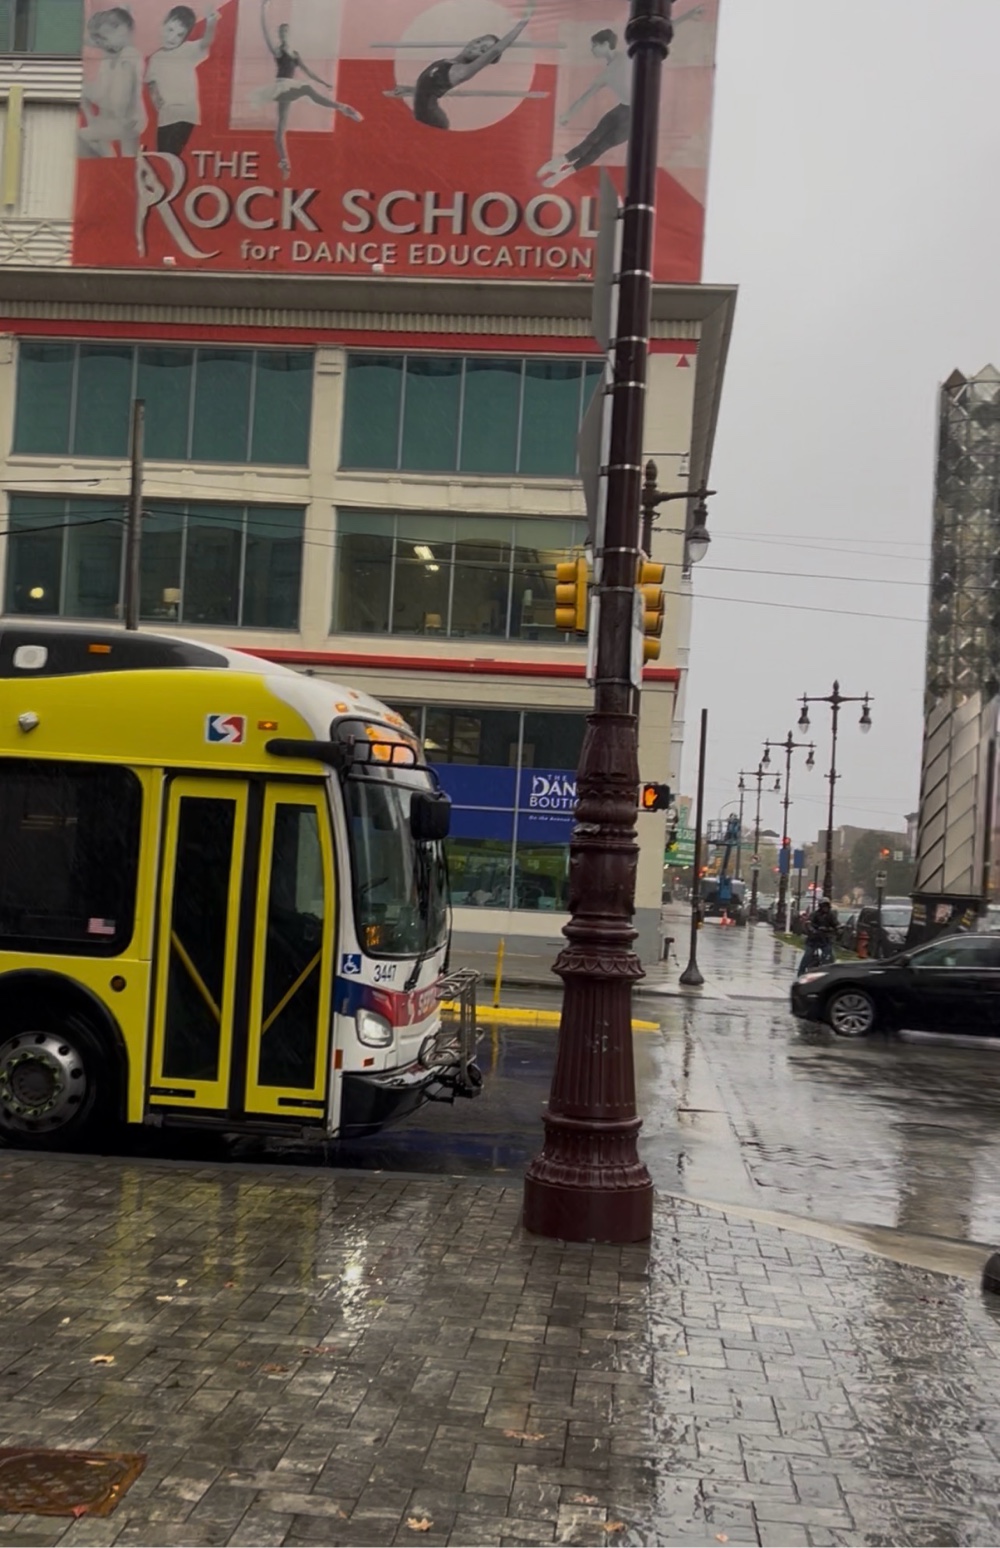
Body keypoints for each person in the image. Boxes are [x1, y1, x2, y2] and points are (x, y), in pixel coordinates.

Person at [537, 7, 701, 187]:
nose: (592, 50)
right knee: (592, 139)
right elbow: (585, 96)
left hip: (637, 117)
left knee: (600, 147)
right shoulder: (605, 74)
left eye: (594, 45)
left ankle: (563, 174)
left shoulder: (629, 56)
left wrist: (687, 16)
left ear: (605, 44)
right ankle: (559, 162)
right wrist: (568, 114)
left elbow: (659, 32)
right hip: (622, 109)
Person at [385, 0, 536, 132]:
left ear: (484, 57)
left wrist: (523, 21)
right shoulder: (447, 62)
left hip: (432, 119)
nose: (475, 47)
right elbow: (430, 91)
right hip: (423, 117)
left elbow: (496, 50)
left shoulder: (463, 71)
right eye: (478, 41)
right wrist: (409, 90)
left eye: (483, 50)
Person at [254, 0, 361, 178]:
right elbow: (265, 33)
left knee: (311, 93)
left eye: (285, 32)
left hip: (292, 85)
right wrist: (263, 9)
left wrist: (323, 82)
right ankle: (284, 161)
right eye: (281, 32)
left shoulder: (295, 54)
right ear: (279, 35)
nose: (283, 34)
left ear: (289, 34)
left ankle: (344, 108)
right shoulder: (278, 51)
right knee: (281, 128)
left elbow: (308, 71)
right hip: (282, 86)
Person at [145, 5, 219, 156]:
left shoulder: (187, 50)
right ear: (163, 26)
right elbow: (151, 82)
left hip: (185, 112)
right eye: (170, 30)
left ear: (185, 37)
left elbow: (206, 42)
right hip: (166, 114)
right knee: (163, 154)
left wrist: (211, 22)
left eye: (179, 35)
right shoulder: (156, 58)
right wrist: (156, 98)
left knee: (171, 152)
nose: (172, 38)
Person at [78, 7, 146, 159]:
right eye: (101, 40)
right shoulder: (110, 58)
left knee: (81, 136)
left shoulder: (129, 55)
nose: (104, 44)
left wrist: (122, 115)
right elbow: (103, 91)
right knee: (130, 156)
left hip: (127, 119)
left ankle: (109, 159)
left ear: (122, 31)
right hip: (121, 118)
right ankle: (112, 160)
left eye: (105, 38)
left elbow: (125, 91)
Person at [797, 899, 840, 977]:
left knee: (828, 956)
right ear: (820, 907)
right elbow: (808, 923)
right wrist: (813, 930)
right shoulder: (815, 914)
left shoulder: (831, 915)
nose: (825, 908)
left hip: (825, 940)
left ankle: (828, 973)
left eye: (826, 906)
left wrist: (831, 929)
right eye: (823, 906)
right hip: (813, 940)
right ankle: (800, 973)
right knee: (807, 955)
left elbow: (836, 925)